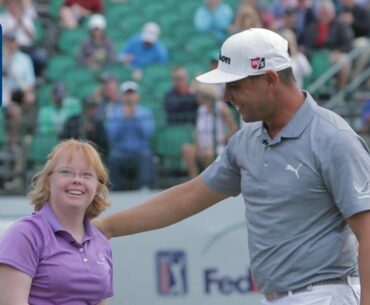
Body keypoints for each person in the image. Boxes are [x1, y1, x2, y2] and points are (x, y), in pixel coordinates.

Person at [92, 28, 370, 304]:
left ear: (270, 79)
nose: (226, 96)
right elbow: (188, 197)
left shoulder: (333, 138)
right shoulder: (245, 141)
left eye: (235, 85)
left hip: (326, 296)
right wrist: (106, 227)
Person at [0, 139, 113, 304]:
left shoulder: (101, 243)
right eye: (66, 172)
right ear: (47, 182)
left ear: (97, 187)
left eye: (87, 174)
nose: (77, 180)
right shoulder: (26, 233)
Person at [106, 81, 155, 191]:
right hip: (121, 151)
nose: (129, 97)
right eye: (126, 94)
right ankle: (114, 188)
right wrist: (124, 118)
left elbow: (147, 133)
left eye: (132, 94)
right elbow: (111, 135)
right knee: (113, 157)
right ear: (122, 96)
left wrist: (135, 116)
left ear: (137, 96)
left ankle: (144, 187)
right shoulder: (115, 113)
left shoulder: (145, 113)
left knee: (146, 155)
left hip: (140, 150)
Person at [182, 82, 238, 179]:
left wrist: (223, 140)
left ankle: (207, 181)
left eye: (200, 94)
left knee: (209, 153)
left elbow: (233, 127)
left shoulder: (221, 108)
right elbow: (198, 132)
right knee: (187, 149)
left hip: (218, 145)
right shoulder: (201, 109)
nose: (198, 96)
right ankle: (193, 180)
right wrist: (198, 146)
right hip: (202, 146)